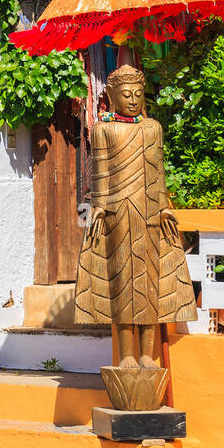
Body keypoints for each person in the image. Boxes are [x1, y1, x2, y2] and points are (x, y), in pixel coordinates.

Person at [75, 65, 196, 367]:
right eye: (126, 95)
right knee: (122, 282)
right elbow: (100, 173)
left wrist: (165, 205)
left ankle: (146, 353)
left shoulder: (152, 128)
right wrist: (98, 206)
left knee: (149, 283)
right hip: (117, 213)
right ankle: (127, 354)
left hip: (149, 213)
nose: (132, 100)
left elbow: (158, 172)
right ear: (112, 98)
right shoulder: (103, 130)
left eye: (138, 95)